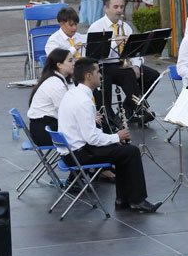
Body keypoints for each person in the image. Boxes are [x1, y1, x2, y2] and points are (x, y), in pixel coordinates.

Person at [57, 58, 161, 213]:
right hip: (79, 154)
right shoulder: (84, 101)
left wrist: (113, 140)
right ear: (88, 76)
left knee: (123, 150)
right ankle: (137, 200)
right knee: (131, 152)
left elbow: (86, 132)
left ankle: (124, 198)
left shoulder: (73, 93)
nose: (101, 76)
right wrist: (116, 137)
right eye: (98, 72)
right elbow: (91, 138)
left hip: (72, 151)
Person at [87, 0, 160, 123]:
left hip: (124, 63)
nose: (119, 10)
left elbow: (136, 51)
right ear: (106, 8)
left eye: (121, 7)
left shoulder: (125, 26)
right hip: (105, 65)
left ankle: (129, 105)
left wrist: (137, 66)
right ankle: (138, 109)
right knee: (127, 74)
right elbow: (94, 54)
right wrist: (115, 43)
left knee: (153, 75)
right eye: (115, 7)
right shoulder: (96, 27)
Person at [27, 48, 76, 147]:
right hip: (44, 132)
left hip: (43, 127)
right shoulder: (56, 84)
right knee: (86, 130)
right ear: (59, 65)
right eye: (70, 61)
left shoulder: (58, 79)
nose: (74, 63)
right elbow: (65, 113)